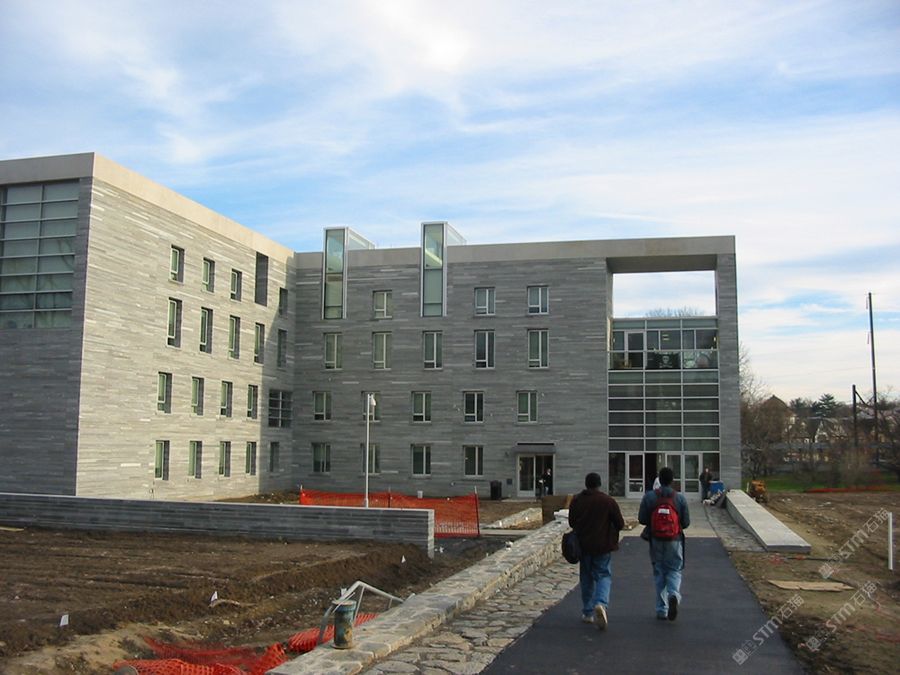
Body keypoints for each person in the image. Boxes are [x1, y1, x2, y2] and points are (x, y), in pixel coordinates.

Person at [568, 472, 625, 629]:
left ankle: (587, 612)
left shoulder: (577, 500)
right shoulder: (608, 501)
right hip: (603, 545)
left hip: (583, 546)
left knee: (586, 578)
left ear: (586, 484)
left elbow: (572, 522)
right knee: (603, 575)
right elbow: (620, 523)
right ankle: (601, 602)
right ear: (599, 484)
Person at [638, 466, 690, 621]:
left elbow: (642, 519)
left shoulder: (650, 497)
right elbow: (686, 522)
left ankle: (662, 609)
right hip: (674, 540)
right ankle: (673, 594)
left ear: (659, 480)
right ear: (672, 480)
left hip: (656, 539)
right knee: (674, 569)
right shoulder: (679, 498)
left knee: (659, 571)